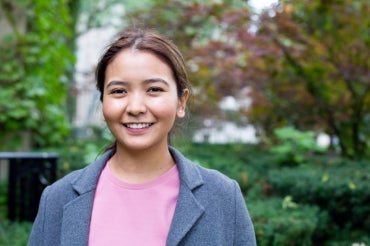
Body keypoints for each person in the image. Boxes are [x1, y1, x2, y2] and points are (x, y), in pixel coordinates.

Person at [28, 29, 256, 246]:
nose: (135, 107)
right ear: (103, 102)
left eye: (154, 89)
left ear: (181, 101)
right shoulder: (57, 198)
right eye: (119, 91)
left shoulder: (223, 197)